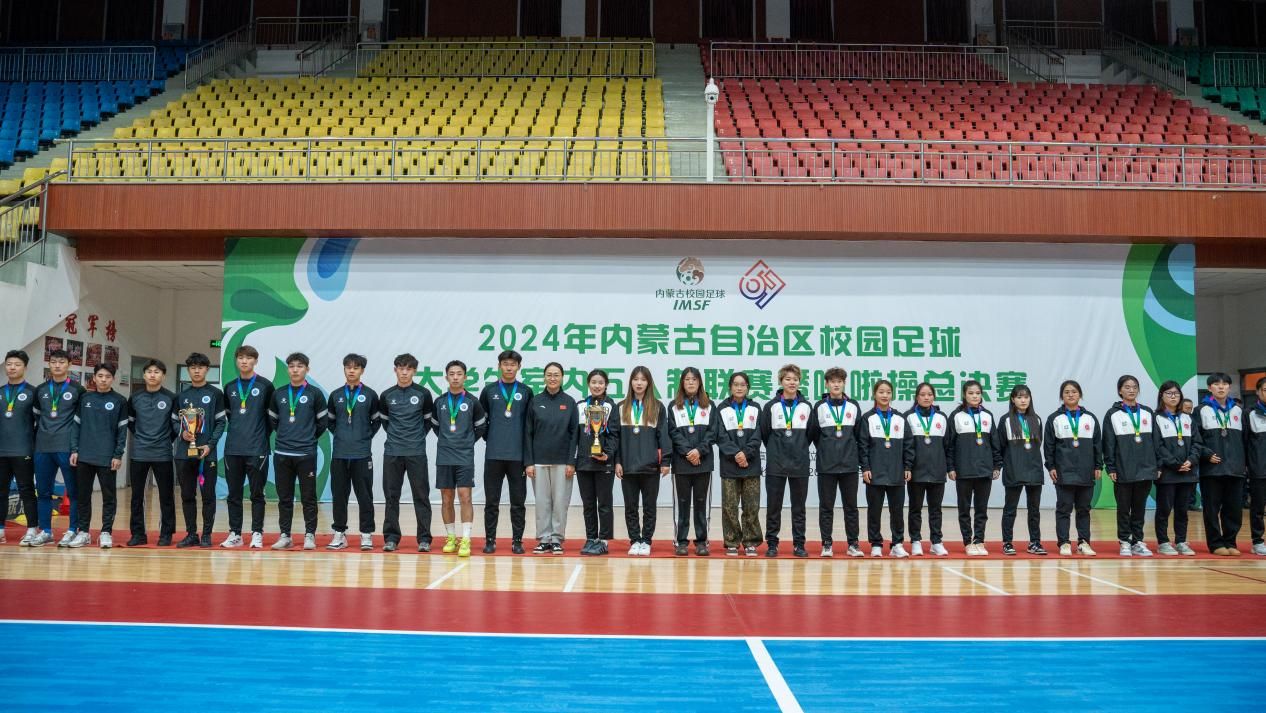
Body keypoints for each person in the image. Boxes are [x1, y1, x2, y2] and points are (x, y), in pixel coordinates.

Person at [268, 352, 328, 550]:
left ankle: (310, 535)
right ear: (288, 369)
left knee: (308, 497)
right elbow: (273, 420)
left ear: (307, 369)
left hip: (306, 454)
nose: (295, 370)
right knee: (284, 498)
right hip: (283, 453)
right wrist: (286, 435)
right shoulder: (279, 393)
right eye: (292, 366)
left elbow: (322, 423)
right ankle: (285, 535)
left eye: (300, 366)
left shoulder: (315, 394)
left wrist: (307, 437)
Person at [429, 360, 487, 558]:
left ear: (465, 377)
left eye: (459, 374)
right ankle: (451, 537)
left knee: (465, 496)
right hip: (444, 456)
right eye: (452, 374)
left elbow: (481, 427)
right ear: (446, 377)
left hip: (464, 456)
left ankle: (466, 539)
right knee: (446, 498)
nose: (455, 377)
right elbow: (435, 426)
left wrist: (466, 441)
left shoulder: (472, 401)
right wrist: (447, 440)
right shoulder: (440, 402)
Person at [478, 349, 534, 554]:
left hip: (517, 457)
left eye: (513, 364)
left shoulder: (526, 391)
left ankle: (517, 541)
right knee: (491, 502)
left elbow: (529, 425)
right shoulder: (489, 390)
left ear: (519, 367)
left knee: (518, 502)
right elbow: (482, 421)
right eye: (505, 364)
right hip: (493, 455)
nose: (509, 367)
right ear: (499, 366)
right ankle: (490, 540)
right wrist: (492, 438)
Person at [379, 353, 434, 552]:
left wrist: (415, 438)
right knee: (391, 496)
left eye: (408, 369)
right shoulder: (386, 395)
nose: (404, 372)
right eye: (401, 368)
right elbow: (385, 422)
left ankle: (424, 539)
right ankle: (391, 538)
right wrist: (398, 438)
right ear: (395, 370)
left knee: (421, 496)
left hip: (416, 452)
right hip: (393, 451)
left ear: (414, 371)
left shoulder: (423, 393)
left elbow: (427, 422)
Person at [68, 363, 128, 548]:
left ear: (113, 379)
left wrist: (118, 454)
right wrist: (74, 449)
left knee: (109, 497)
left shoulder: (120, 401)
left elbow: (122, 431)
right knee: (83, 496)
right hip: (84, 456)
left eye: (108, 376)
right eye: (100, 376)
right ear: (94, 378)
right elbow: (76, 426)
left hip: (107, 458)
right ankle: (84, 532)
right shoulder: (85, 398)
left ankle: (106, 532)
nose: (103, 380)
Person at [221, 344, 274, 549]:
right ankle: (235, 533)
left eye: (249, 358)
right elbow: (230, 415)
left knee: (257, 494)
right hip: (233, 449)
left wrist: (259, 436)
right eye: (241, 357)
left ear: (255, 361)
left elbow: (271, 418)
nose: (244, 361)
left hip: (257, 448)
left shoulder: (266, 386)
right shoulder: (230, 387)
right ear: (236, 361)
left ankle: (257, 533)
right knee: (233, 494)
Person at [759, 363, 815, 558]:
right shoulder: (771, 406)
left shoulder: (807, 407)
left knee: (799, 508)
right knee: (773, 506)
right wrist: (777, 450)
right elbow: (765, 434)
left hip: (800, 464)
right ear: (781, 381)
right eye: (788, 379)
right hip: (776, 464)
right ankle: (772, 544)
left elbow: (810, 434)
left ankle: (799, 544)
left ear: (800, 382)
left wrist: (798, 448)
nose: (792, 382)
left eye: (795, 379)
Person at [614, 365, 671, 556]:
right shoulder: (621, 407)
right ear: (631, 382)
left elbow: (663, 436)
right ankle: (634, 540)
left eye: (643, 379)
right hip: (628, 466)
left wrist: (665, 462)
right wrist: (617, 461)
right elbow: (616, 438)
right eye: (636, 379)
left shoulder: (657, 407)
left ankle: (646, 540)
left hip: (650, 467)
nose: (639, 383)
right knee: (630, 507)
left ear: (649, 383)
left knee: (649, 507)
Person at [327, 353, 380, 551]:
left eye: (356, 367)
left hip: (362, 454)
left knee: (364, 496)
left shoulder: (370, 394)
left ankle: (366, 534)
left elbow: (376, 421)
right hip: (340, 454)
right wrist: (342, 435)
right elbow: (330, 422)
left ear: (362, 371)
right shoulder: (336, 395)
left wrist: (363, 436)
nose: (351, 371)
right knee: (339, 495)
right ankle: (339, 533)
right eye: (348, 367)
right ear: (344, 369)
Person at [1044, 380, 1103, 556]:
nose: (1070, 395)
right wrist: (1051, 466)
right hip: (1064, 472)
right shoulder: (1054, 418)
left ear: (1080, 395)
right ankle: (1064, 543)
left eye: (1074, 391)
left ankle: (1084, 542)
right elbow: (1049, 446)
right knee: (1064, 509)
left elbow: (1097, 445)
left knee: (1084, 509)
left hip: (1086, 471)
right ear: (1061, 396)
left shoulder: (1090, 418)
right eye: (1067, 392)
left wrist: (1098, 465)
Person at [1103, 374, 1160, 557]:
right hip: (1123, 469)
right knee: (1123, 508)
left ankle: (1138, 541)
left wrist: (1158, 465)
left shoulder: (1147, 412)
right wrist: (1111, 467)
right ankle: (1124, 541)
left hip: (1146, 468)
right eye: (1127, 387)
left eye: (1134, 387)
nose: (1131, 390)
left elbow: (1156, 441)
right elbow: (1108, 443)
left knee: (1139, 508)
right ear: (1120, 391)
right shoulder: (1113, 414)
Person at [524, 361, 577, 555]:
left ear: (562, 377)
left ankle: (556, 539)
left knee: (560, 503)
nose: (552, 378)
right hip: (538, 461)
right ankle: (544, 538)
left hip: (563, 462)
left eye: (556, 375)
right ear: (544, 377)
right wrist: (529, 462)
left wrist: (571, 461)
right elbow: (528, 433)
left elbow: (575, 434)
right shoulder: (535, 401)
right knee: (542, 503)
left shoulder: (569, 402)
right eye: (549, 375)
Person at [174, 352, 227, 548]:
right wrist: (182, 433)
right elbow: (173, 422)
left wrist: (210, 444)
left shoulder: (215, 394)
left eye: (200, 367)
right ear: (188, 370)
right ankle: (191, 534)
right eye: (193, 368)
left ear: (207, 369)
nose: (197, 371)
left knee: (208, 496)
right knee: (187, 495)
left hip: (206, 455)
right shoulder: (181, 396)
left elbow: (221, 422)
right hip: (184, 454)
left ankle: (206, 534)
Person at [34, 349, 85, 547]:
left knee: (73, 492)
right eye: (53, 361)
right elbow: (37, 416)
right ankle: (45, 531)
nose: (57, 365)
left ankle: (73, 530)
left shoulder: (78, 389)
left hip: (67, 447)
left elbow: (81, 421)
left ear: (69, 365)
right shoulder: (40, 389)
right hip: (43, 447)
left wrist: (76, 448)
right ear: (49, 364)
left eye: (61, 362)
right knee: (43, 492)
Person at [125, 359, 178, 546]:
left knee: (166, 496)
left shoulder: (171, 398)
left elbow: (175, 425)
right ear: (144, 375)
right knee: (137, 496)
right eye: (149, 372)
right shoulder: (135, 398)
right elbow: (131, 422)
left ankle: (166, 534)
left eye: (157, 372)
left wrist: (165, 439)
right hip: (139, 453)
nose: (152, 375)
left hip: (163, 453)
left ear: (163, 375)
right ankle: (138, 534)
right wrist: (141, 437)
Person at [1193, 372, 1246, 556]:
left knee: (1234, 509)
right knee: (1211, 508)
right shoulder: (1201, 410)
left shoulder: (1238, 410)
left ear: (1229, 387)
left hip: (1235, 468)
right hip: (1212, 469)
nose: (1221, 387)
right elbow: (1195, 439)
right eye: (1216, 384)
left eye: (1225, 384)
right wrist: (1207, 454)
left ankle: (1231, 542)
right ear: (1209, 388)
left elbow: (1246, 440)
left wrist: (1244, 463)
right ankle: (1215, 544)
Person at [812, 367, 863, 558]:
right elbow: (814, 434)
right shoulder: (819, 406)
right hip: (827, 466)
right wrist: (828, 450)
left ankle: (853, 544)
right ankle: (826, 543)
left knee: (851, 507)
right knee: (826, 507)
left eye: (839, 381)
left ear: (844, 383)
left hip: (849, 465)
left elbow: (858, 435)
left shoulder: (853, 406)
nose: (836, 384)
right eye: (832, 381)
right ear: (826, 384)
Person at [667, 366, 717, 556]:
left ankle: (702, 541)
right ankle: (680, 541)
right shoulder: (673, 405)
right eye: (687, 379)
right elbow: (673, 432)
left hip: (703, 463)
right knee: (682, 503)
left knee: (701, 503)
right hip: (681, 463)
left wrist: (699, 451)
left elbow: (713, 432)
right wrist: (689, 452)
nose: (690, 382)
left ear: (700, 383)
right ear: (682, 382)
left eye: (694, 379)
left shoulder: (709, 405)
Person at [994, 384, 1046, 556]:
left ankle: (1035, 542)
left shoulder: (1037, 419)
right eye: (1019, 397)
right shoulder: (1005, 420)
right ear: (1012, 399)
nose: (1023, 400)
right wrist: (999, 466)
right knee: (1010, 508)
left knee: (1034, 510)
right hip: (1014, 470)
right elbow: (1000, 446)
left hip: (1034, 470)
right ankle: (1007, 542)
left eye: (1026, 397)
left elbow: (1038, 444)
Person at [947, 380, 998, 556]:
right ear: (964, 395)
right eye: (971, 393)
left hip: (985, 470)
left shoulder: (987, 416)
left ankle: (979, 540)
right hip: (963, 471)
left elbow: (995, 443)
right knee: (964, 509)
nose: (975, 396)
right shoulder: (956, 416)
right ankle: (968, 541)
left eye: (977, 393)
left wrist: (996, 465)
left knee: (981, 509)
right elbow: (950, 445)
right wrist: (951, 467)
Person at [858, 380, 908, 558]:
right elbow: (862, 446)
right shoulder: (867, 418)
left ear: (892, 394)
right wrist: (865, 467)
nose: (885, 395)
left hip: (896, 472)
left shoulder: (900, 418)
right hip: (875, 473)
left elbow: (908, 445)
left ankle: (897, 543)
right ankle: (876, 544)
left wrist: (907, 466)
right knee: (874, 510)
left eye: (888, 392)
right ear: (874, 394)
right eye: (881, 392)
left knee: (897, 511)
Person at [715, 371, 762, 557]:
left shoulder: (755, 407)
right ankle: (732, 541)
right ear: (730, 387)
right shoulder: (721, 408)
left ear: (748, 387)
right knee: (729, 507)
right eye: (736, 384)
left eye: (743, 385)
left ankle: (751, 542)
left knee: (751, 506)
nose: (739, 387)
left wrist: (746, 454)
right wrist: (736, 454)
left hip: (751, 464)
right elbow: (720, 435)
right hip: (730, 465)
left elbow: (759, 434)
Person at [904, 381, 950, 557]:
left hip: (937, 471)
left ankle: (936, 541)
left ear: (934, 397)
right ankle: (915, 541)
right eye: (922, 395)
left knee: (935, 509)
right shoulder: (909, 417)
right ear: (916, 397)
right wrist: (907, 467)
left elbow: (947, 446)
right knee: (915, 508)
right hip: (916, 472)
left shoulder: (941, 417)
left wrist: (948, 467)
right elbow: (906, 446)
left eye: (929, 394)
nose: (926, 397)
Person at [574, 369, 617, 556]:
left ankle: (604, 541)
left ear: (606, 385)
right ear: (588, 384)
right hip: (583, 463)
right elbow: (574, 436)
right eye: (593, 382)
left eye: (600, 382)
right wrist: (573, 460)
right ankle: (591, 538)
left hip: (604, 463)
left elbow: (615, 434)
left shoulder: (612, 406)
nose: (597, 386)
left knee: (604, 504)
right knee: (588, 504)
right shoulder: (580, 406)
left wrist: (608, 454)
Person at [1154, 380, 1197, 556]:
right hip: (1167, 473)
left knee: (1182, 510)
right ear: (1161, 396)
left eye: (1176, 393)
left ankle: (1181, 541)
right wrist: (1175, 463)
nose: (1173, 396)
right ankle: (1163, 542)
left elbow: (1197, 443)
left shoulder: (1188, 418)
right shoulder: (1156, 418)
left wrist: (1191, 460)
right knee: (1164, 509)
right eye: (1169, 393)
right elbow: (1158, 446)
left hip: (1187, 472)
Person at [1, 350, 38, 547]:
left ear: (25, 367)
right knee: (1, 491)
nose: (12, 368)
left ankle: (32, 529)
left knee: (27, 490)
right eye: (9, 364)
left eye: (17, 364)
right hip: (2, 451)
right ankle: (0, 529)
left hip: (23, 450)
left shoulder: (33, 392)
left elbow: (40, 423)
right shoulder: (0, 392)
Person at [1246, 376, 1266, 557]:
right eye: (1265, 390)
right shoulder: (1250, 413)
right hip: (1259, 469)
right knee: (1258, 508)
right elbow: (1245, 443)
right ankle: (1258, 541)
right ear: (1258, 392)